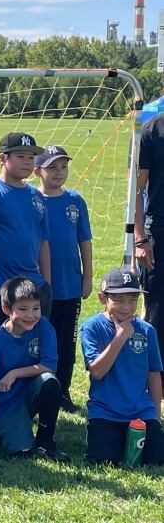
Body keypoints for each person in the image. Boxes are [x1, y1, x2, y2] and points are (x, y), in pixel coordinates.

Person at [0, 277, 68, 461]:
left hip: (31, 392)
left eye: (36, 308)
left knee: (49, 381)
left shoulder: (42, 325)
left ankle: (45, 442)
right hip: (7, 404)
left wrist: (14, 373)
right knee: (22, 453)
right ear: (6, 308)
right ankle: (3, 426)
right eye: (23, 309)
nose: (31, 315)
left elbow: (49, 365)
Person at [80, 268, 163, 465]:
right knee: (103, 459)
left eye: (132, 300)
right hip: (105, 412)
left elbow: (154, 375)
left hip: (140, 411)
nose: (126, 307)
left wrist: (156, 418)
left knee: (156, 459)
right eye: (118, 300)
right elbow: (97, 372)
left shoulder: (147, 331)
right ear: (102, 298)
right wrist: (121, 335)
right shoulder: (91, 327)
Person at [0, 132, 52, 324]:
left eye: (31, 157)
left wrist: (46, 283)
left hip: (33, 285)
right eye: (20, 156)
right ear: (2, 158)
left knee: (33, 346)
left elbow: (43, 241)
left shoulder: (36, 196)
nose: (27, 162)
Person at [34, 146, 92, 413]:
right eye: (52, 167)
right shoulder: (33, 200)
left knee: (65, 340)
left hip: (69, 284)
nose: (59, 172)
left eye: (63, 167)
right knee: (41, 338)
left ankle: (63, 390)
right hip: (40, 287)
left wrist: (87, 275)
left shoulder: (75, 201)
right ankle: (39, 390)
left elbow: (84, 241)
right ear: (38, 171)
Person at [135, 110, 164, 386]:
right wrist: (140, 238)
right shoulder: (152, 130)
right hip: (159, 232)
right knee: (157, 309)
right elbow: (139, 188)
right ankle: (154, 379)